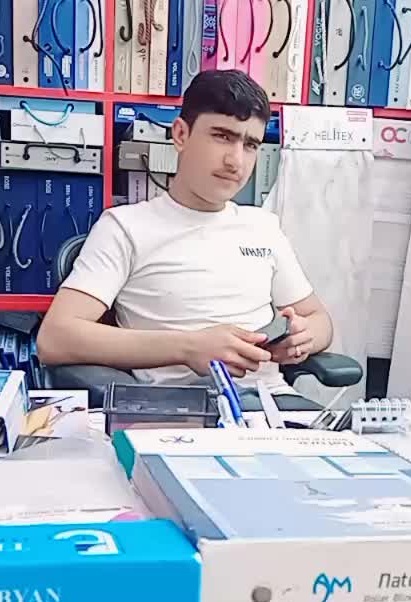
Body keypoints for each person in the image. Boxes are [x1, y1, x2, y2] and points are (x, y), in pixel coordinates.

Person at [37, 70, 332, 397]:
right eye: (222, 136)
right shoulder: (125, 227)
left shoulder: (264, 227)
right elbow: (55, 338)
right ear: (180, 134)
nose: (236, 161)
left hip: (271, 404)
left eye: (250, 145)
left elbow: (319, 320)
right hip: (179, 410)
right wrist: (188, 347)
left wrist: (303, 337)